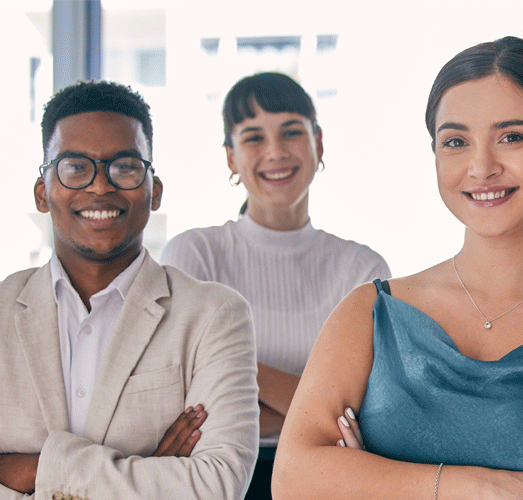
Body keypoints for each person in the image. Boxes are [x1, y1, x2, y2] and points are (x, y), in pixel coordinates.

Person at [272, 36, 523, 500]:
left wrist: (368, 478)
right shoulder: (371, 312)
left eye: (512, 137)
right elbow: (294, 480)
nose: (481, 167)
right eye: (456, 141)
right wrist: (471, 485)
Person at [0, 81, 259, 499]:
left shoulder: (214, 315)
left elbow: (216, 485)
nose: (100, 186)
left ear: (154, 192)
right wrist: (149, 472)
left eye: (125, 166)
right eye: (76, 167)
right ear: (43, 192)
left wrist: (41, 469)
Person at [160, 71, 390, 499]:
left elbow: (373, 412)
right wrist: (321, 405)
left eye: (291, 132)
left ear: (318, 143)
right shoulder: (195, 255)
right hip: (212, 477)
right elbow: (181, 406)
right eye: (252, 138)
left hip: (325, 480)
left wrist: (228, 367)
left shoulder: (363, 269)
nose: (276, 152)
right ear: (230, 158)